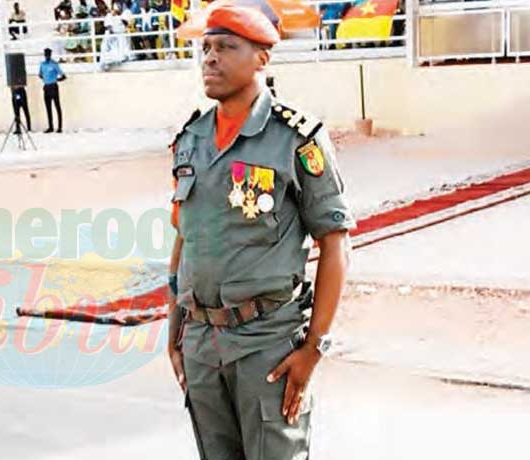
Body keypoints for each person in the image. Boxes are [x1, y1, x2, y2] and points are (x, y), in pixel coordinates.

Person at [167, 6, 354, 460]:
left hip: (266, 346)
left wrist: (314, 348)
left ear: (262, 59)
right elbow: (182, 237)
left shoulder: (296, 138)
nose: (210, 58)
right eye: (206, 48)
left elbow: (335, 243)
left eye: (226, 47)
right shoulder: (190, 138)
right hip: (201, 345)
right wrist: (174, 330)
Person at [38, 48, 66, 133]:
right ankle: (50, 126)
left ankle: (60, 127)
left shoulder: (54, 64)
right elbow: (40, 74)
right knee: (48, 107)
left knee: (57, 106)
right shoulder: (42, 64)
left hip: (53, 87)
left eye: (48, 54)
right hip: (46, 87)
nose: (47, 56)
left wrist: (55, 80)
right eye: (46, 54)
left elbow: (63, 76)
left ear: (50, 55)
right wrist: (46, 80)